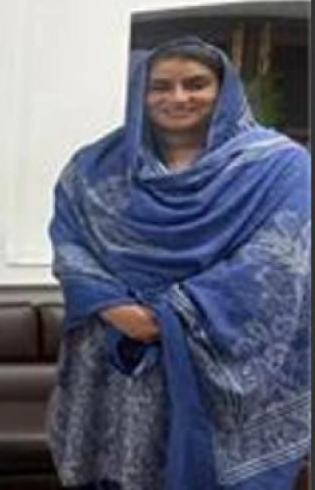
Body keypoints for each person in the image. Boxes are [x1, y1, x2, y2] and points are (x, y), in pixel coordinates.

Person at [47, 37, 310, 490]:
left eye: (196, 84)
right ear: (139, 93)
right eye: (160, 86)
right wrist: (114, 308)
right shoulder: (93, 166)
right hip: (115, 352)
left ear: (224, 90)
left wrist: (170, 316)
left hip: (221, 356)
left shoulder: (281, 167)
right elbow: (70, 241)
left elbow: (279, 258)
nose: (178, 97)